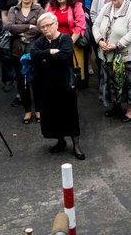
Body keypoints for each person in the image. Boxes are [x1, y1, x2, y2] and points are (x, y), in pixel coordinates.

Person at [29, 12, 84, 160]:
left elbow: (65, 55)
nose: (46, 29)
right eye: (43, 27)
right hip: (47, 85)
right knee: (53, 114)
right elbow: (33, 54)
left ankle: (76, 146)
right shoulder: (41, 41)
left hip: (65, 84)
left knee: (70, 114)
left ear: (56, 24)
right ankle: (61, 142)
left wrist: (45, 58)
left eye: (49, 25)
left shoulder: (65, 38)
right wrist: (50, 52)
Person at [93, 0, 131, 122]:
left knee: (128, 82)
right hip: (106, 55)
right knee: (111, 81)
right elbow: (96, 24)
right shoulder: (107, 7)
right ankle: (115, 105)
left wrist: (117, 45)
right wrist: (99, 40)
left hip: (125, 55)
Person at [3, 0, 44, 124]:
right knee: (22, 82)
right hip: (16, 51)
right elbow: (9, 27)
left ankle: (38, 110)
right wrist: (28, 27)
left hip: (34, 51)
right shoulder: (13, 9)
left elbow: (40, 28)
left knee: (37, 81)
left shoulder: (39, 9)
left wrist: (21, 30)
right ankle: (27, 110)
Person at [44, 0, 87, 86]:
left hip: (72, 41)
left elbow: (80, 26)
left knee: (72, 73)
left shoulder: (76, 5)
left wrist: (68, 44)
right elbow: (45, 24)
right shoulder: (51, 6)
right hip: (53, 42)